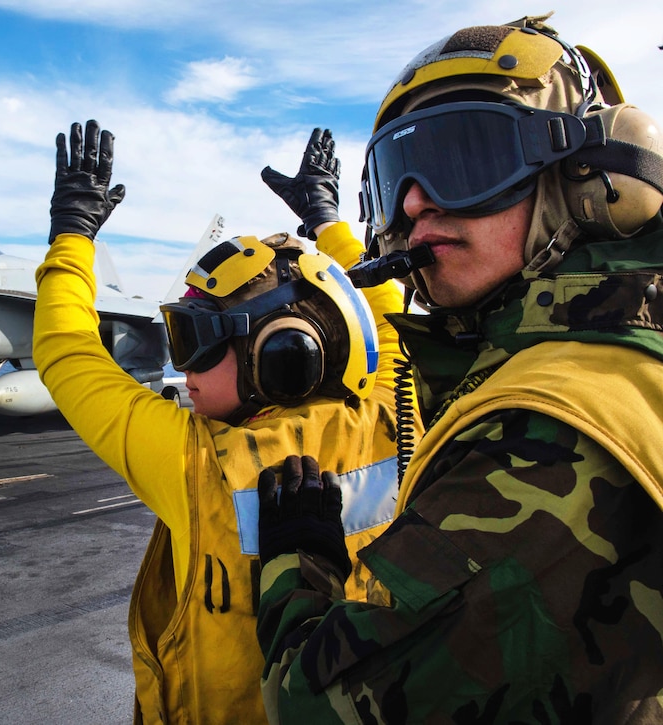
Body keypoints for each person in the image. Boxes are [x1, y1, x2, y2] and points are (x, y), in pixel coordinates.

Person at [257, 14, 663, 723]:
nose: (414, 202)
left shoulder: (548, 438)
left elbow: (310, 704)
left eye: (466, 158)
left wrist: (296, 560)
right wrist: (328, 219)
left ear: (584, 179)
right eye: (396, 177)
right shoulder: (614, 347)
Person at [33, 119, 405, 723]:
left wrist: (72, 232)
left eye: (198, 342)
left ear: (280, 356)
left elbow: (65, 350)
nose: (185, 370)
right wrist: (326, 217)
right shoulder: (392, 406)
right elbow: (383, 306)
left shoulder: (197, 462)